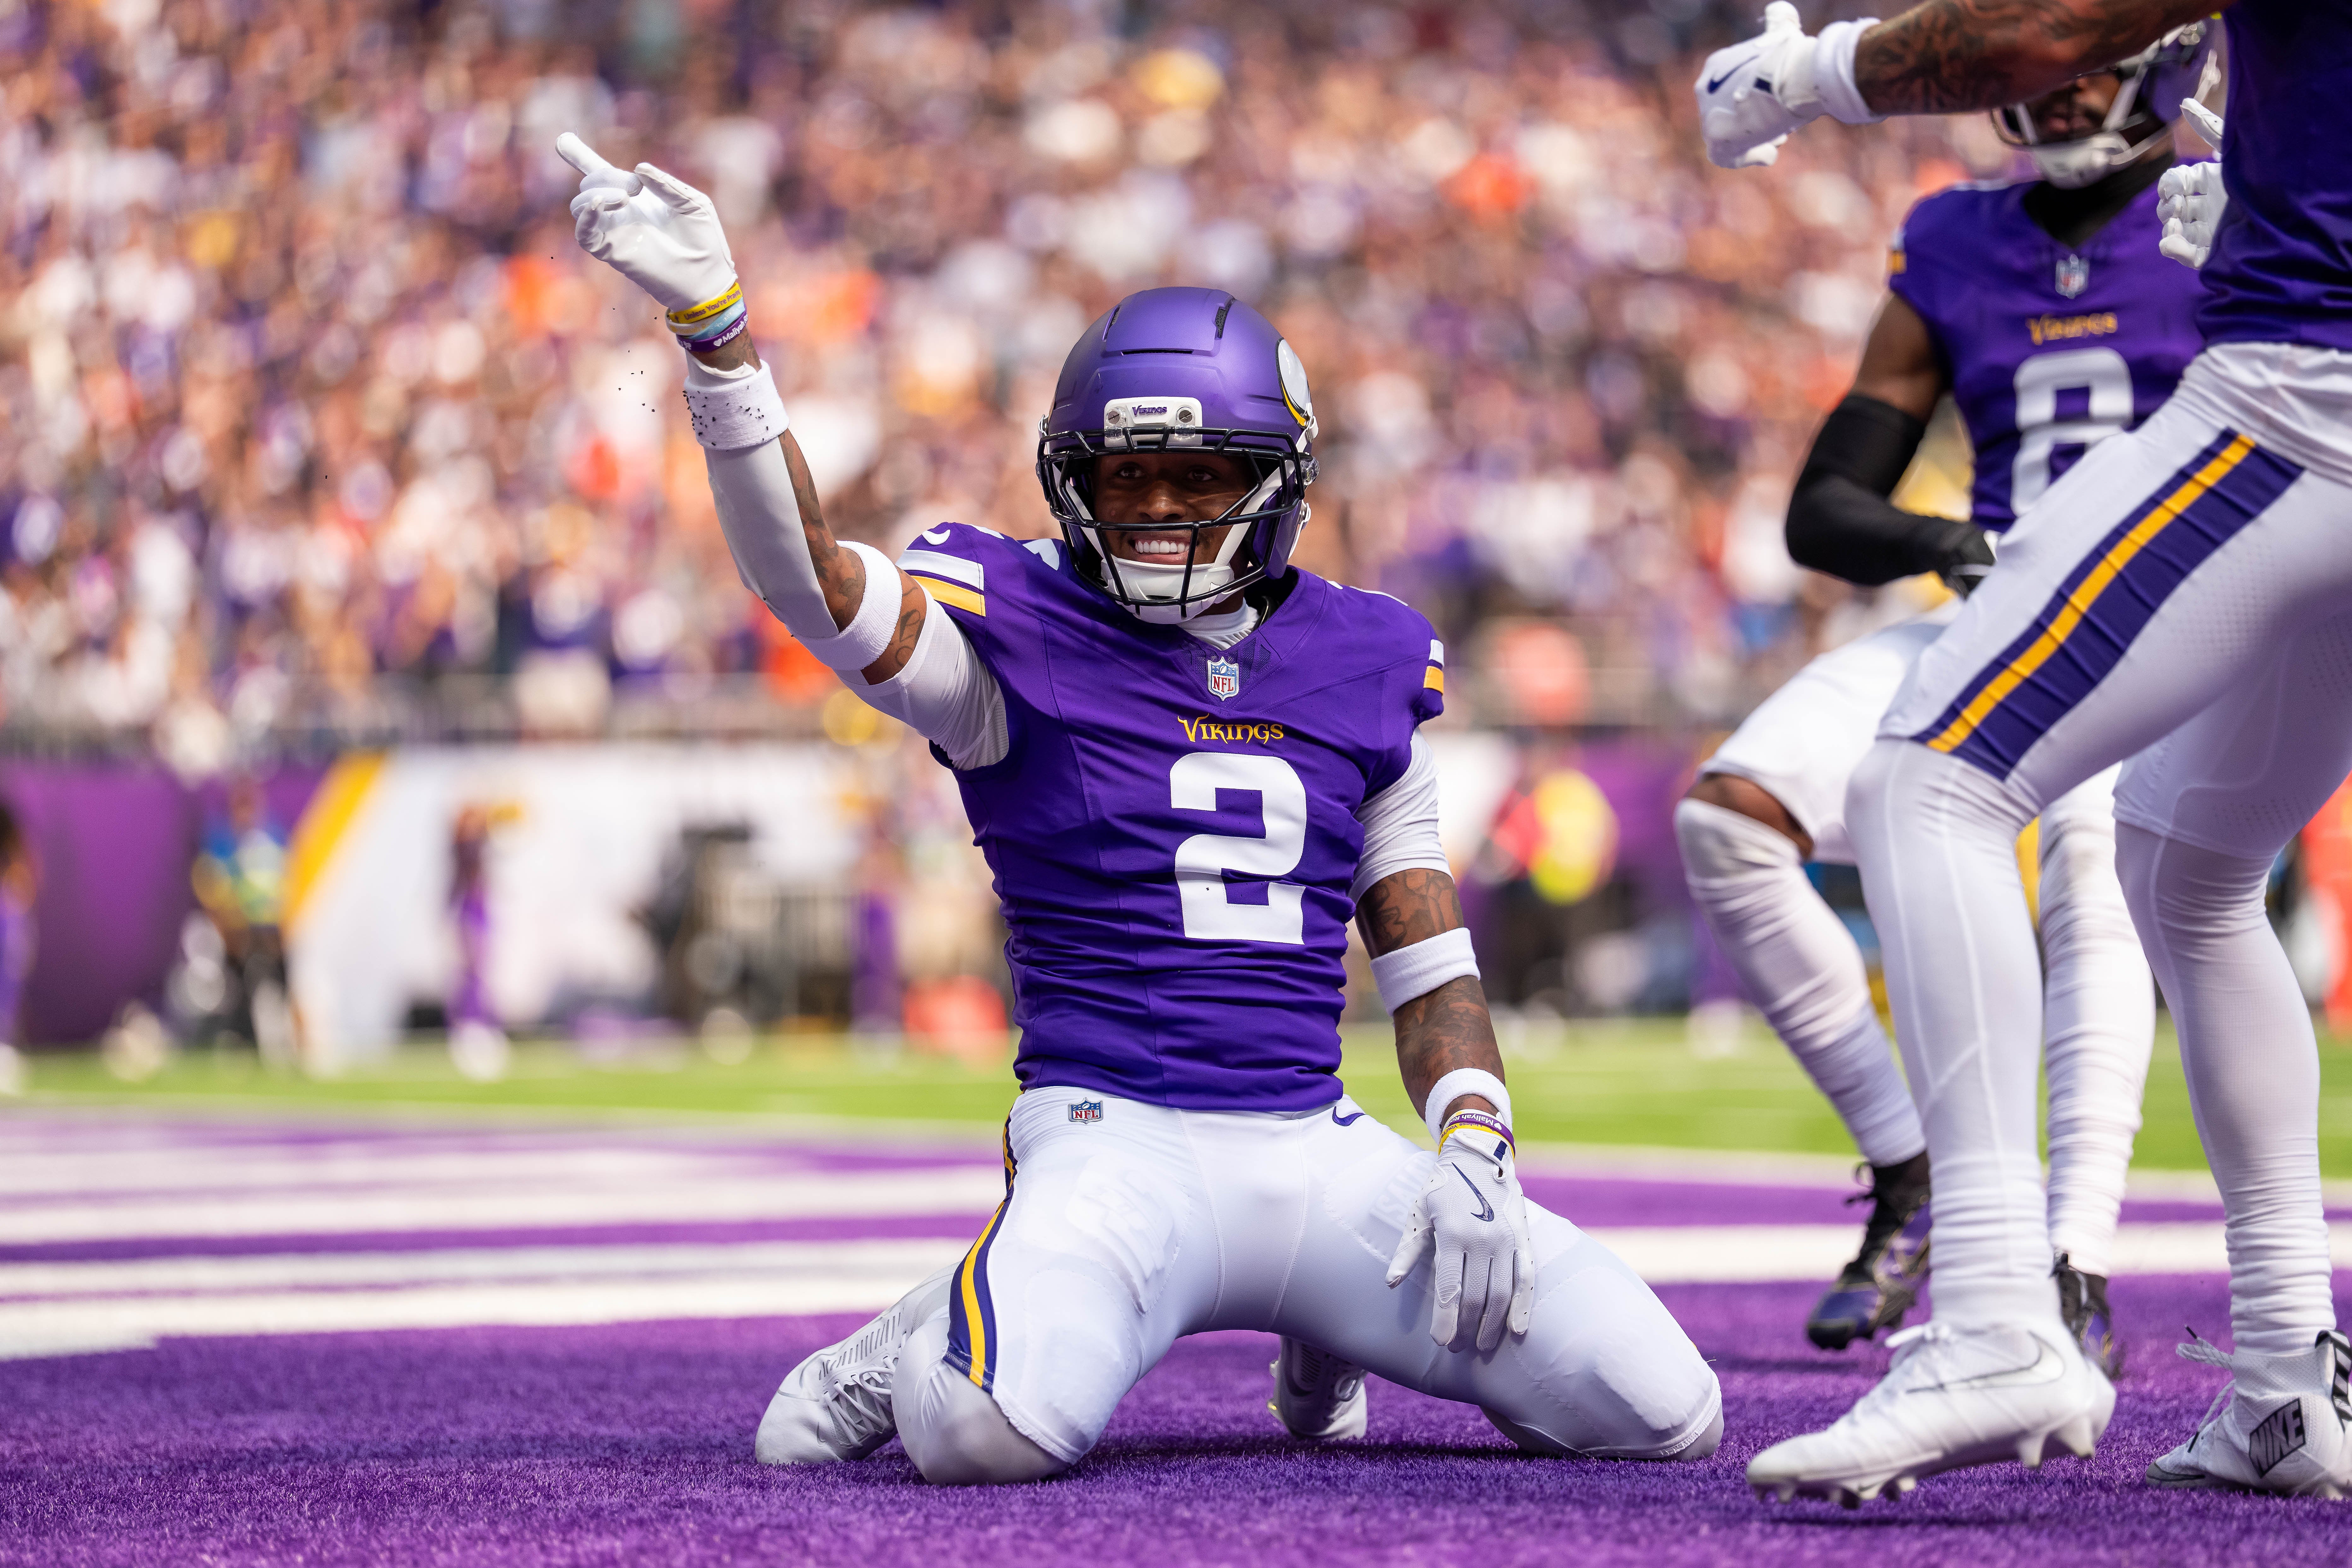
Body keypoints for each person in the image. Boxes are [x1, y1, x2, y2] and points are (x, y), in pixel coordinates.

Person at [557, 134, 1723, 1483]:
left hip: (1315, 1146)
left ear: (1278, 479)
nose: (1159, 506)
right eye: (1126, 475)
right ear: (1072, 481)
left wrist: (1471, 1135)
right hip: (1112, 1144)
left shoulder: (1368, 654)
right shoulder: (1016, 630)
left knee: (1662, 1408)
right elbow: (806, 582)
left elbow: (1425, 952)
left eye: (1200, 476)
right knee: (983, 1433)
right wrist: (718, 337)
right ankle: (926, 1326)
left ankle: (1331, 1325)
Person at [1699, 0, 2352, 1504]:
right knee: (2185, 866)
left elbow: (2038, 29)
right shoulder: (1964, 251)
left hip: (2303, 400)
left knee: (1923, 781)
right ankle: (2282, 1385)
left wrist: (1805, 72)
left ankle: (2001, 1308)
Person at [1678, 48, 2206, 1362]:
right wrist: (1942, 544)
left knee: (2091, 852)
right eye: (2044, 57)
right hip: (1990, 604)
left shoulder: (2223, 213)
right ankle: (1907, 1165)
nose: (2067, 87)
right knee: (1727, 818)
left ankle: (2070, 1258)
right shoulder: (1952, 237)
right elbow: (1822, 507)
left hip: (2165, 621)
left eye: (2093, 57)